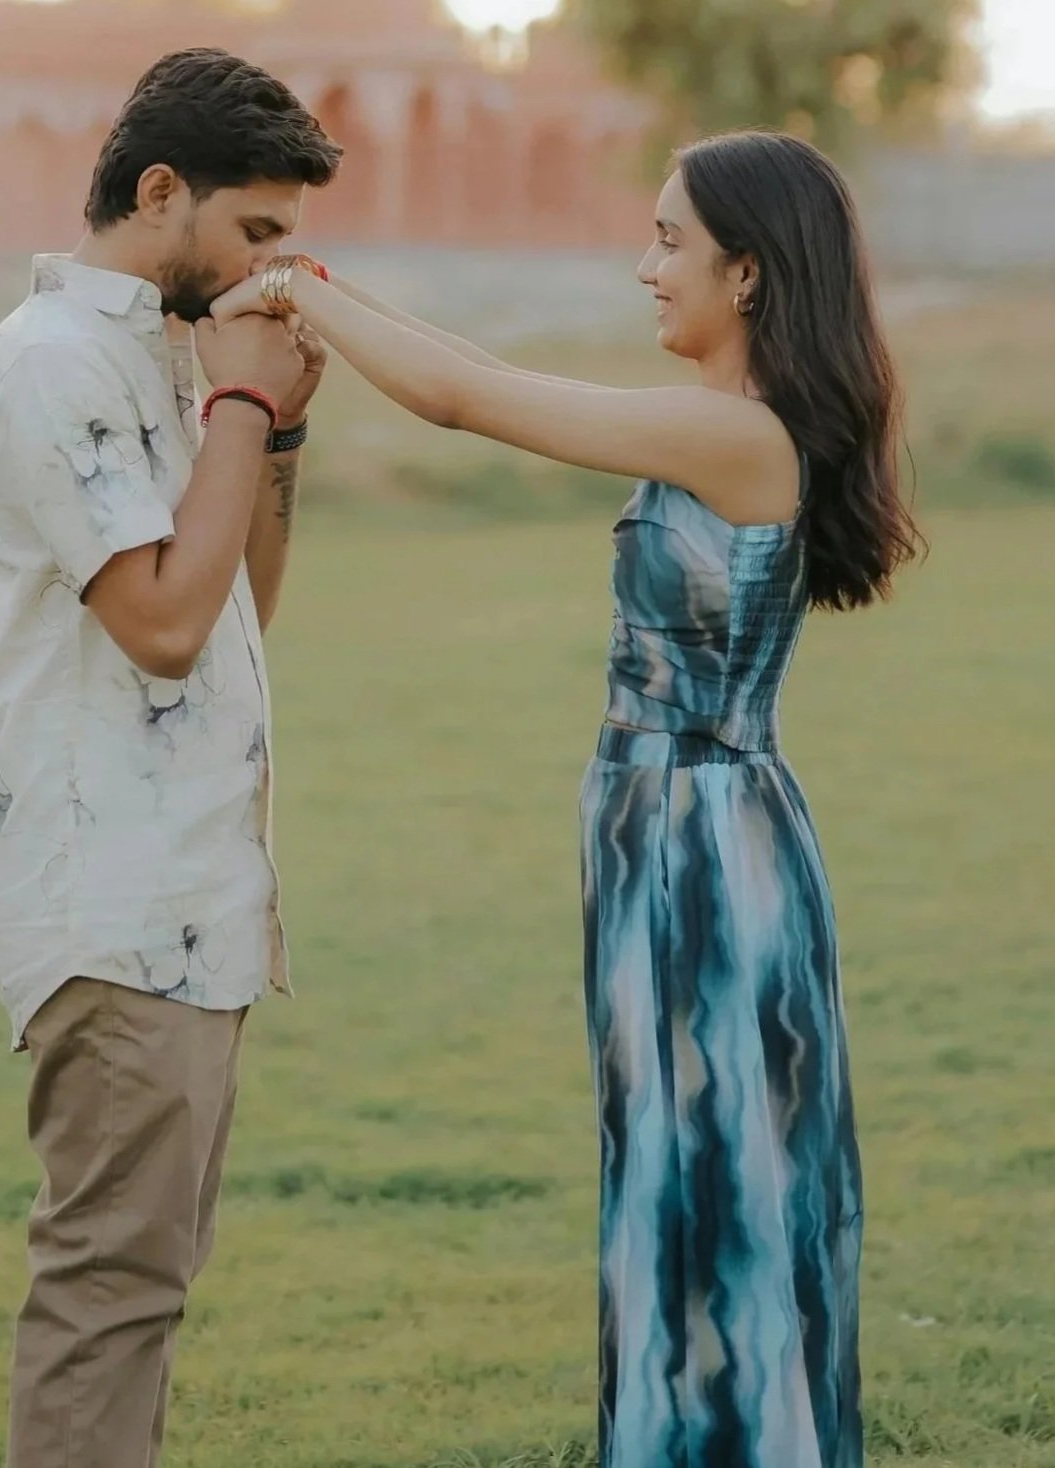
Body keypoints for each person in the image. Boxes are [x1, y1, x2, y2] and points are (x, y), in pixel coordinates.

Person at [213, 130, 920, 1468]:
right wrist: (326, 286)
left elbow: (466, 402)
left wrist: (294, 286)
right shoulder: (723, 422)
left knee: (711, 1175)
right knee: (673, 1164)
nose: (646, 268)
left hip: (704, 846)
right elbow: (477, 371)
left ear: (749, 274)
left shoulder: (734, 435)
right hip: (673, 831)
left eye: (670, 241)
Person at [0, 49, 340, 1468]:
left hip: (188, 902)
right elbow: (167, 631)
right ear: (161, 190)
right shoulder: (52, 365)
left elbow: (238, 606)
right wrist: (239, 407)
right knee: (109, 1293)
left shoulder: (162, 357)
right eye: (255, 230)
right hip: (112, 907)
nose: (273, 270)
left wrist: (277, 426)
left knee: (142, 1290)